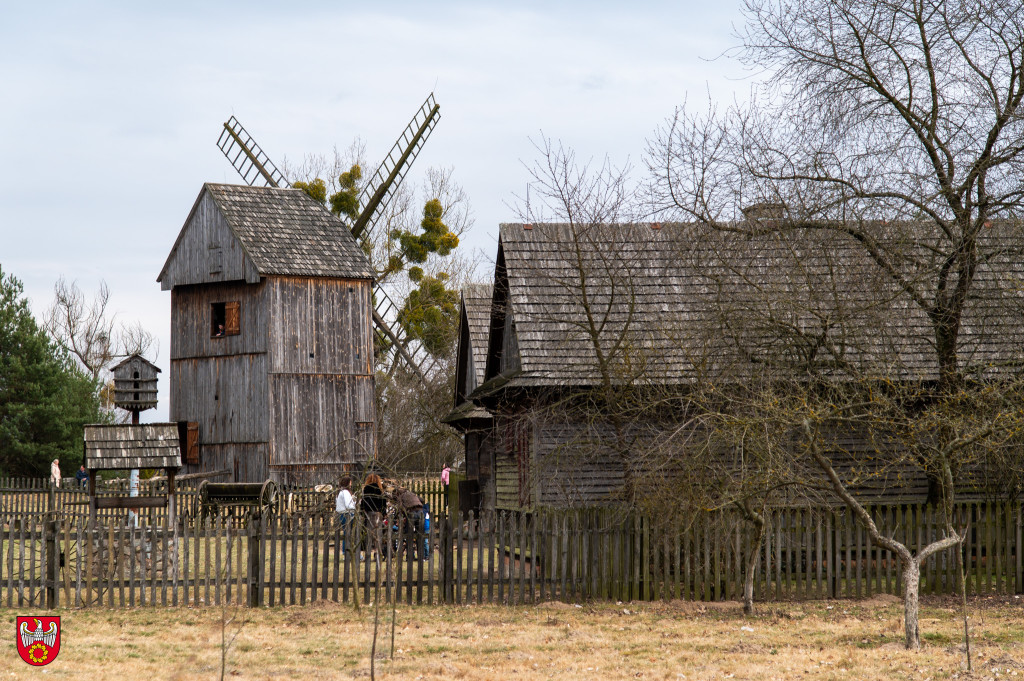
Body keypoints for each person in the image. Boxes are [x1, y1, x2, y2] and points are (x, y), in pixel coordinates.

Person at [360, 474, 386, 556]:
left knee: (369, 534)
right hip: (378, 513)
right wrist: (383, 513)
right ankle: (378, 552)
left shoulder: (366, 489)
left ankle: (368, 552)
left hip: (369, 513)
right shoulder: (380, 489)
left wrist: (362, 511)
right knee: (378, 534)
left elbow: (363, 502)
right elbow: (383, 503)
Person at [335, 476, 356, 553]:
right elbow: (349, 505)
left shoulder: (340, 492)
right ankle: (346, 551)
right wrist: (355, 509)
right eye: (350, 482)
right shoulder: (346, 492)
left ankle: (346, 551)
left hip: (341, 515)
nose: (351, 484)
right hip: (347, 515)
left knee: (346, 533)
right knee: (348, 534)